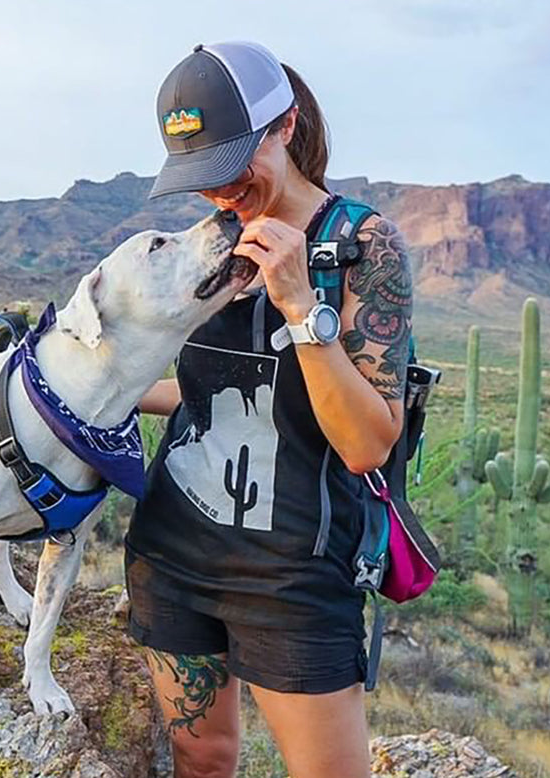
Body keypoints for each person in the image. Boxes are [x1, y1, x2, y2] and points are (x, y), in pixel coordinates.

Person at [125, 41, 413, 778]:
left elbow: (365, 445)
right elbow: (199, 394)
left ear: (284, 126)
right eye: (200, 178)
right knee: (203, 762)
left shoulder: (360, 246)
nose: (219, 194)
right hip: (173, 555)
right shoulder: (205, 251)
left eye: (231, 167)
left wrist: (297, 303)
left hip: (295, 574)